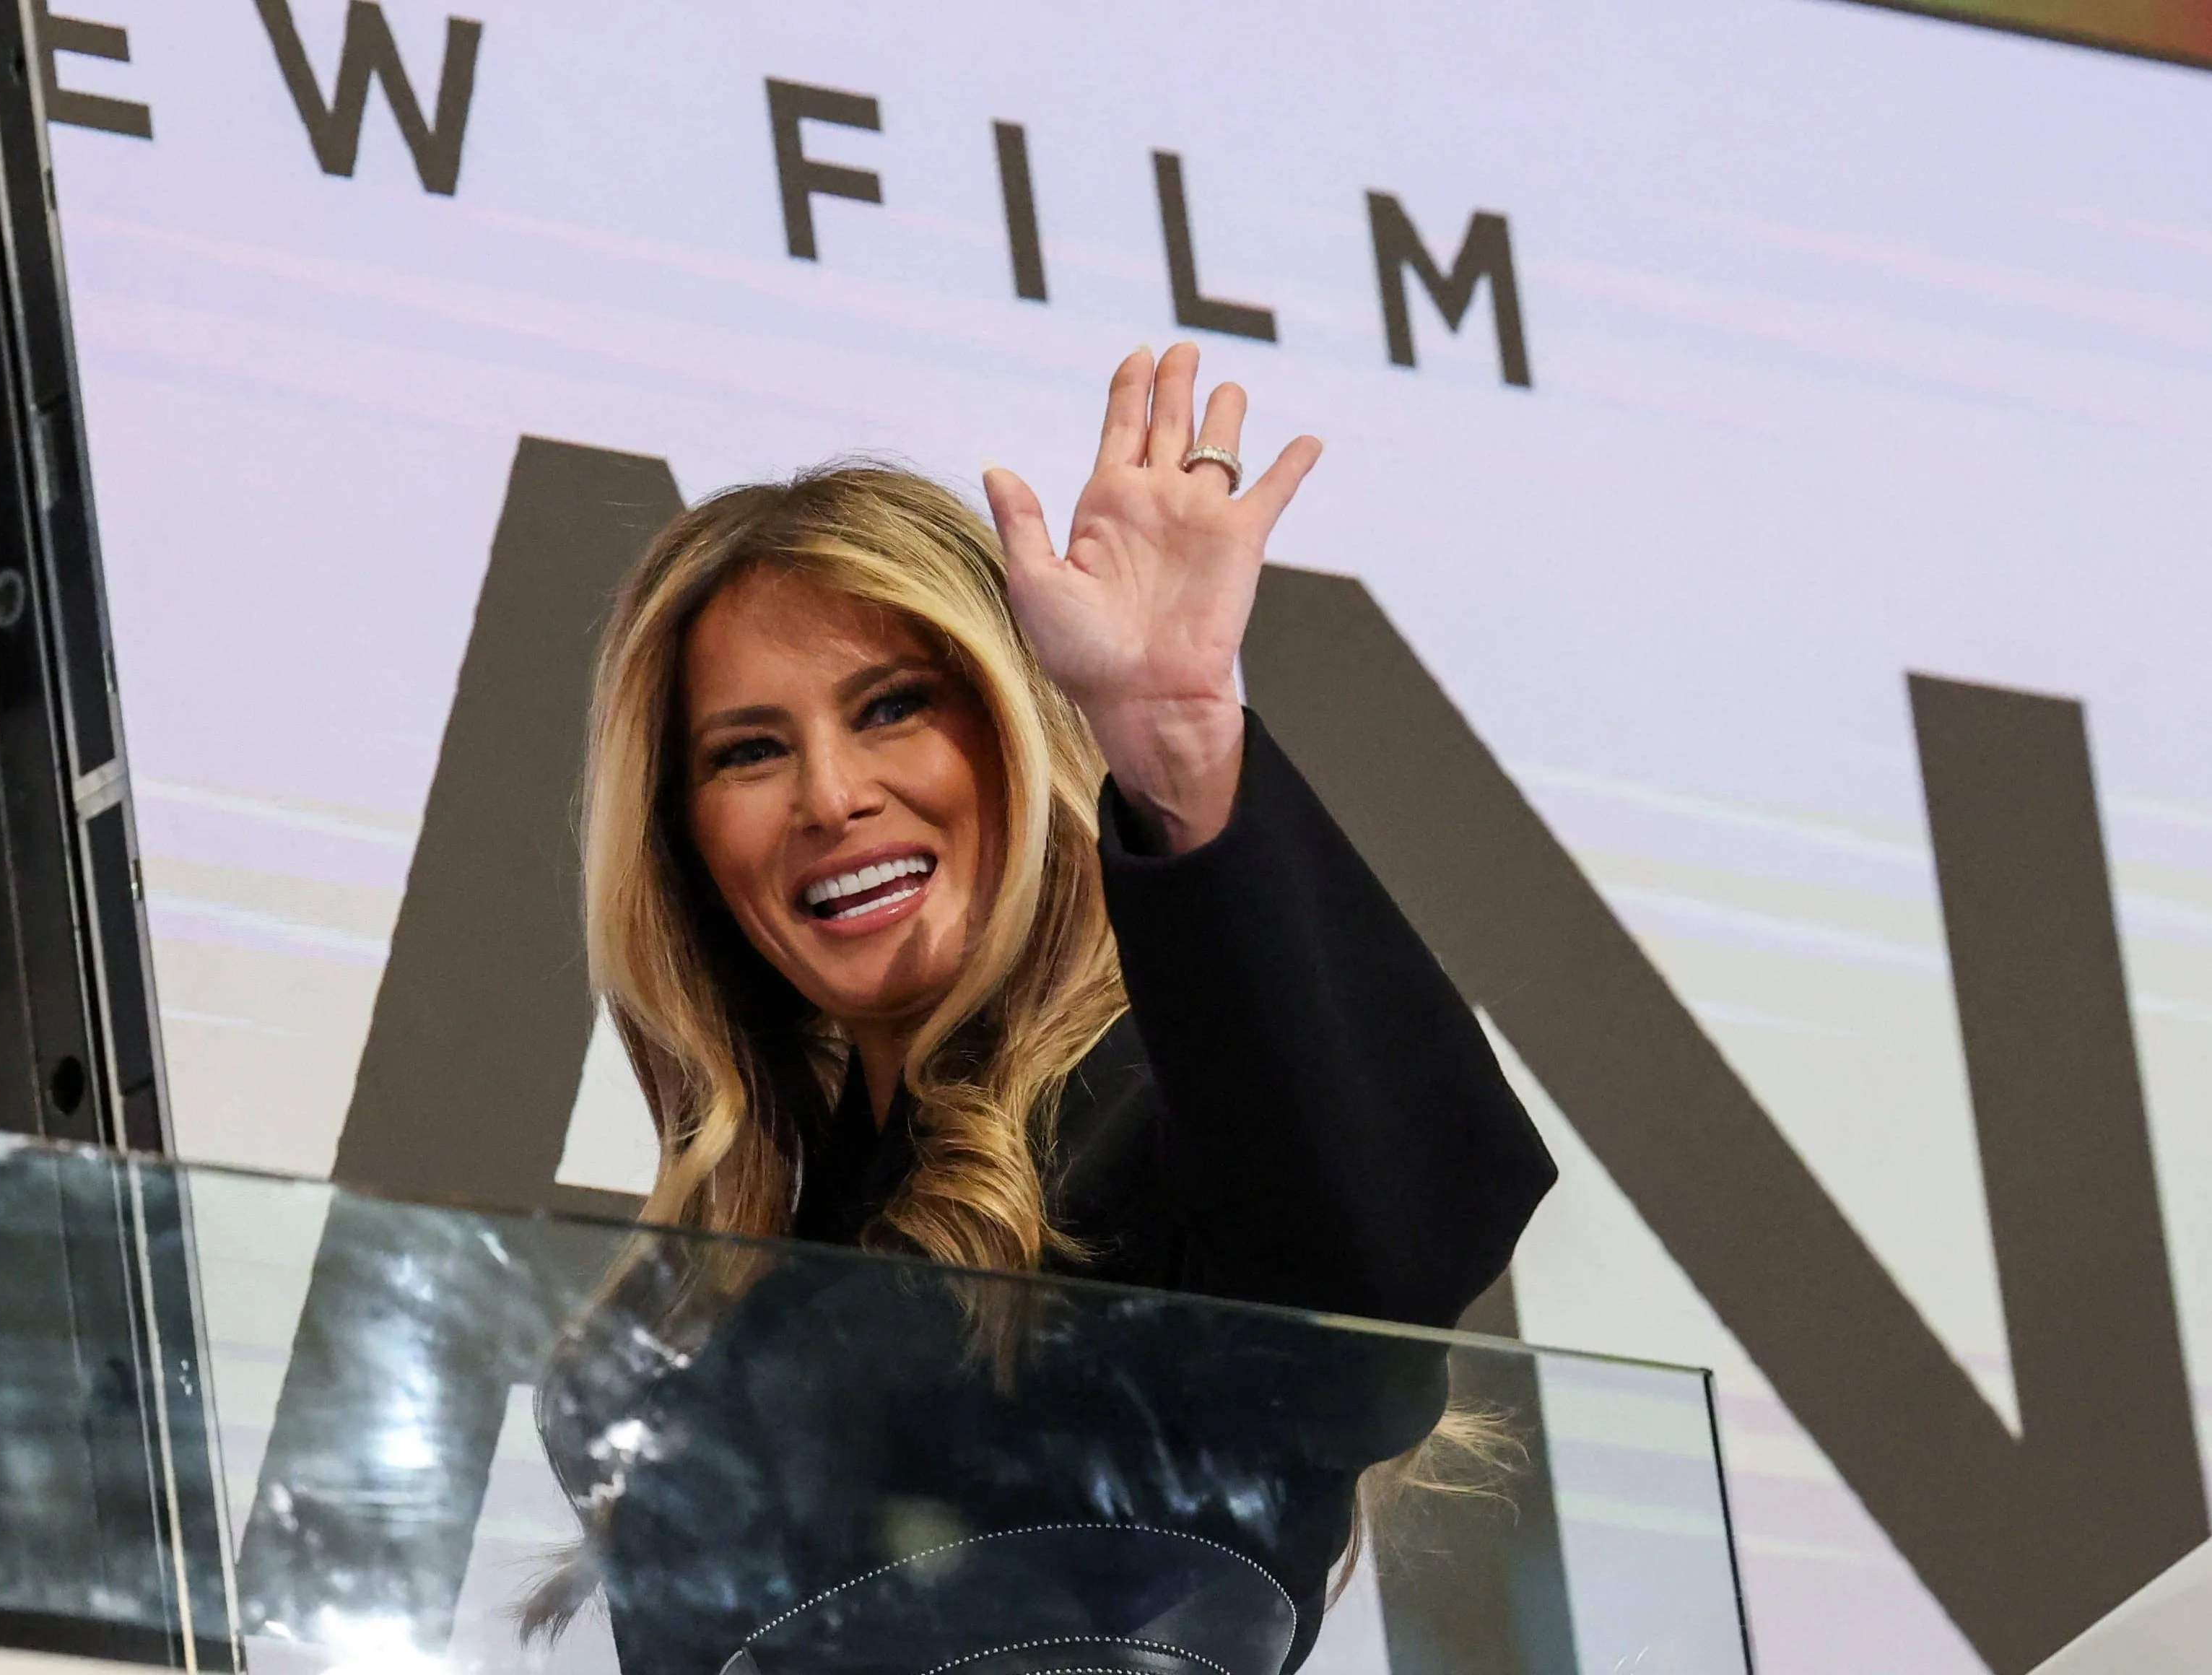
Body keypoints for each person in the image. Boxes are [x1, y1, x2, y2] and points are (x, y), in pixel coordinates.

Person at [533, 344, 1561, 1674]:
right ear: (685, 843)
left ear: (1014, 729)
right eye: (750, 751)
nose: (831, 796)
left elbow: (1373, 1263)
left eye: (895, 707)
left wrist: (1179, 741)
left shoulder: (1154, 1129)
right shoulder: (702, 1287)